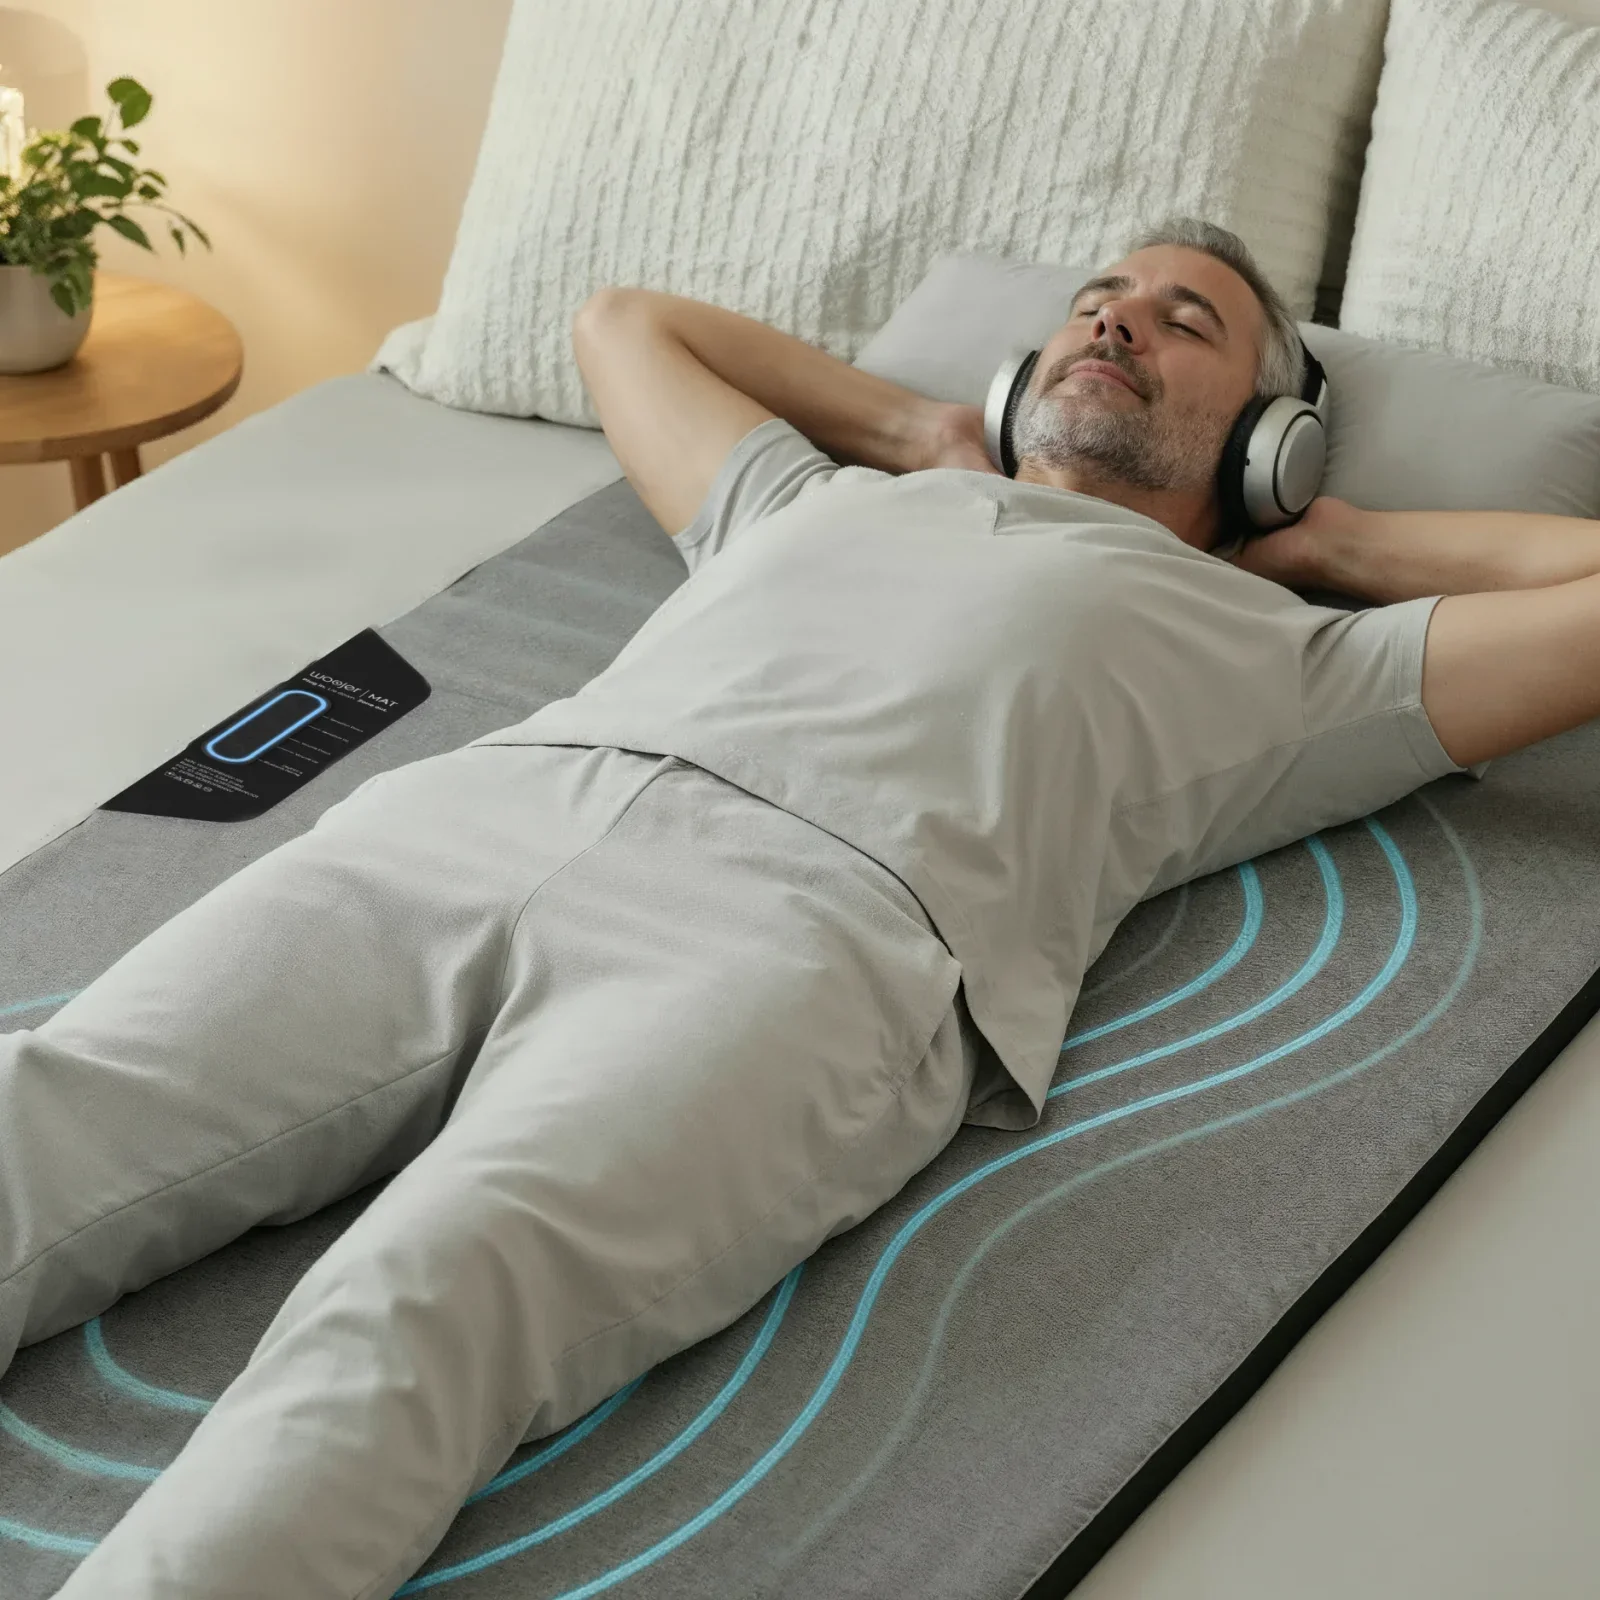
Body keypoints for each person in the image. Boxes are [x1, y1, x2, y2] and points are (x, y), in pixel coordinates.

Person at [6, 215, 1599, 1599]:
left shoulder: (1284, 655)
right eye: (1097, 296)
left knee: (428, 1306)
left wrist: (1354, 543)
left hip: (810, 939)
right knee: (46, 1110)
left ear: (1271, 438)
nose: (1115, 318)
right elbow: (623, 322)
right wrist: (910, 429)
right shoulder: (808, 499)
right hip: (488, 808)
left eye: (1190, 324)